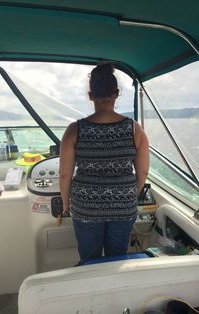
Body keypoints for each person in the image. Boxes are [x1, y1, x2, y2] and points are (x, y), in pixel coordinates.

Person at [59, 63, 149, 263]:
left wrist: (66, 204)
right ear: (116, 93)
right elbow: (142, 172)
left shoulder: (75, 130)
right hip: (123, 205)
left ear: (91, 95)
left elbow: (64, 174)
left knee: (89, 259)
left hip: (86, 206)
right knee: (117, 258)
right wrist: (129, 194)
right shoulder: (135, 129)